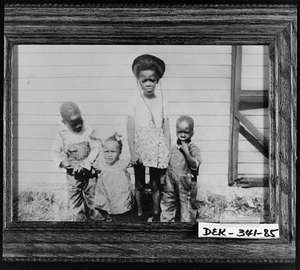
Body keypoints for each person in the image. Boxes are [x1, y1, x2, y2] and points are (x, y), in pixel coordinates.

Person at [127, 54, 171, 222]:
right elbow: (130, 128)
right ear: (138, 81)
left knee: (155, 183)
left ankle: (156, 213)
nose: (148, 84)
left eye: (151, 80)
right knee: (139, 182)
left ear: (157, 80)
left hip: (156, 147)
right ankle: (138, 214)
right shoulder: (133, 101)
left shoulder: (163, 101)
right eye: (144, 80)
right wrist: (132, 152)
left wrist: (167, 150)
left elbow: (166, 128)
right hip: (140, 146)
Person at [51, 101, 103, 221]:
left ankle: (97, 220)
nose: (78, 125)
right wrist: (63, 163)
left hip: (89, 170)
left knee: (93, 196)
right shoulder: (62, 134)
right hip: (73, 172)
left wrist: (88, 162)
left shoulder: (88, 130)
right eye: (73, 123)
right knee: (75, 197)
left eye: (79, 121)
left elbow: (96, 147)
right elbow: (55, 152)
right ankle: (79, 221)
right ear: (64, 122)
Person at [160, 115, 202, 222]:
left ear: (192, 132)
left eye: (186, 132)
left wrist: (187, 152)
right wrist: (163, 177)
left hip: (186, 183)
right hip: (170, 181)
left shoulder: (193, 148)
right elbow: (167, 162)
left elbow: (195, 165)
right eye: (179, 132)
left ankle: (186, 231)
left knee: (187, 207)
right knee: (167, 203)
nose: (182, 135)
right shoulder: (173, 147)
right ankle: (166, 228)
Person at [94, 133, 134, 222]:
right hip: (105, 192)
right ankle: (109, 219)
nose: (109, 155)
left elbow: (134, 160)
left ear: (119, 152)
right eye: (106, 151)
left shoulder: (122, 163)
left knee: (121, 210)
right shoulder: (101, 165)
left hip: (120, 193)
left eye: (113, 151)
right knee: (101, 204)